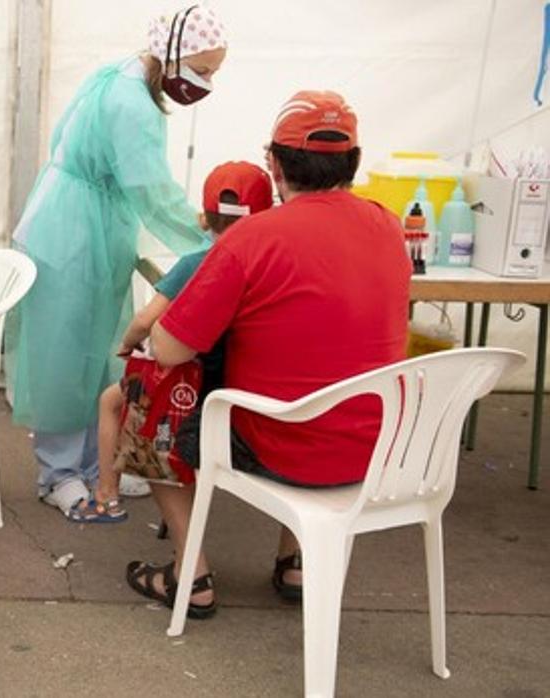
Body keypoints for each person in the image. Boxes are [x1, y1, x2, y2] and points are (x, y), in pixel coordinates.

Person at [127, 90, 412, 618]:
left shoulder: (252, 238)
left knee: (145, 399)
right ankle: (295, 561)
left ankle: (191, 575)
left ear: (275, 165)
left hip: (282, 448)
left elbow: (168, 346)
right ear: (354, 161)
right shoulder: (391, 228)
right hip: (381, 449)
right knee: (321, 379)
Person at [7, 5, 227, 520]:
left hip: (87, 221)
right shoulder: (131, 103)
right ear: (172, 55)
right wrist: (208, 240)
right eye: (205, 68)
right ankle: (59, 473)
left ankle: (94, 460)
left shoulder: (123, 76)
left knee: (96, 351)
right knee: (64, 354)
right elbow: (149, 189)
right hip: (71, 232)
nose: (208, 81)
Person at [72, 161, 273, 523]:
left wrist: (128, 345)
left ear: (204, 218)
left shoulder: (198, 262)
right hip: (245, 387)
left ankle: (106, 494)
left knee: (110, 402)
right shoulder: (271, 263)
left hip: (188, 384)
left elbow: (145, 320)